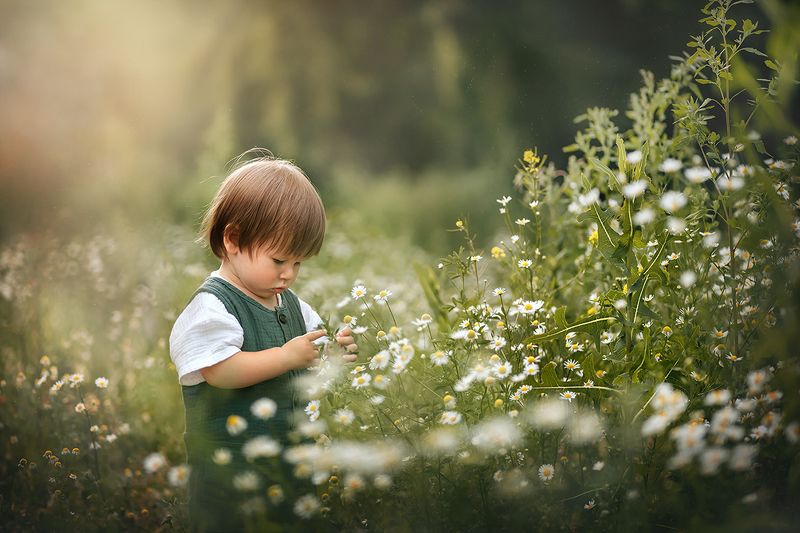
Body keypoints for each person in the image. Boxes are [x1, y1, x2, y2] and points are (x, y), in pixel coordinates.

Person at [169, 151, 357, 532]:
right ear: (233, 239)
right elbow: (219, 371)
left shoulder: (293, 305)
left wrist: (334, 354)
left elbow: (308, 362)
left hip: (288, 474)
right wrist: (287, 357)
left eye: (298, 263)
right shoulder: (212, 308)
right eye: (278, 261)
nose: (289, 274)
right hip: (230, 483)